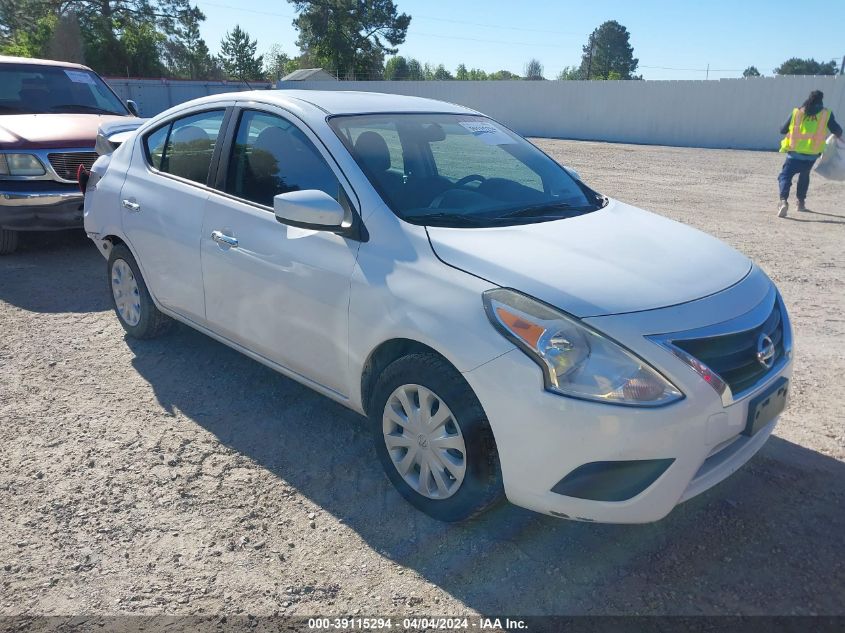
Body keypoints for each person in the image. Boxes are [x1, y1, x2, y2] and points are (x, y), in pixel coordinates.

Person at [777, 90, 843, 217]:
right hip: (813, 154)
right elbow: (838, 131)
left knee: (785, 176)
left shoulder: (797, 112)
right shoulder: (826, 114)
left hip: (795, 153)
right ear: (821, 100)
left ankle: (783, 201)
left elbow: (782, 130)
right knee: (804, 174)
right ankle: (800, 203)